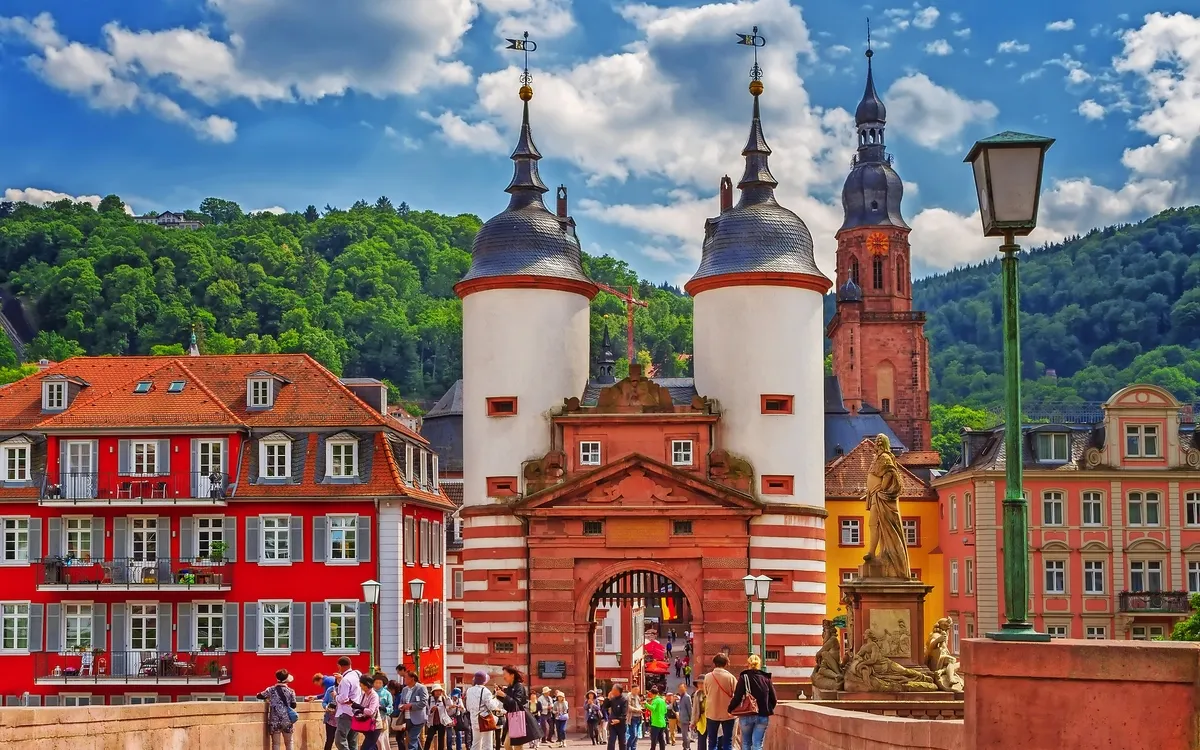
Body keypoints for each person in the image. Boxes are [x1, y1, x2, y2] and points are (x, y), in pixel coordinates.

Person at [727, 655, 776, 750]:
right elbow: (773, 699)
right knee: (757, 744)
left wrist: (730, 709)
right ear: (759, 664)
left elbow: (737, 696)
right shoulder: (766, 678)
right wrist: (767, 709)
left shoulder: (744, 677)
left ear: (748, 664)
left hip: (747, 714)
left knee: (746, 743)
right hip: (762, 715)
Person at [258, 669, 299, 750]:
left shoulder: (271, 690)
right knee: (289, 742)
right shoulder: (290, 691)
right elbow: (293, 705)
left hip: (274, 720)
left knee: (276, 744)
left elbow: (259, 696)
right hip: (287, 720)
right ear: (287, 679)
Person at [497, 665, 536, 750]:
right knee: (508, 744)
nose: (503, 677)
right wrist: (499, 696)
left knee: (517, 745)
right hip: (512, 718)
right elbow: (507, 705)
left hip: (519, 719)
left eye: (505, 674)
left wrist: (504, 695)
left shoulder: (519, 686)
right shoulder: (510, 687)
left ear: (512, 675)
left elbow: (516, 703)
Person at [702, 656, 736, 750]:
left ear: (714, 663)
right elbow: (737, 694)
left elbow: (706, 693)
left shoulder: (708, 677)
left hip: (712, 712)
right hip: (728, 713)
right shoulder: (730, 677)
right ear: (725, 663)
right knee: (727, 741)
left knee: (712, 741)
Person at [395, 670, 430, 750]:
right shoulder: (404, 689)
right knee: (414, 738)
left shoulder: (421, 688)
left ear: (412, 679)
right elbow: (401, 702)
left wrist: (410, 705)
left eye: (406, 677)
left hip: (418, 718)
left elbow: (423, 703)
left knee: (412, 738)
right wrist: (401, 706)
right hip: (407, 718)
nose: (404, 679)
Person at [336, 657, 365, 750]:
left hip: (345, 712)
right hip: (356, 711)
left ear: (339, 666)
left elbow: (343, 698)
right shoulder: (357, 675)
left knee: (340, 740)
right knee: (352, 740)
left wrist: (335, 696)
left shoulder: (346, 680)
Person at [466, 671, 496, 750]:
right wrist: (495, 699)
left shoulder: (469, 690)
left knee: (476, 743)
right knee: (487, 744)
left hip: (474, 720)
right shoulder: (485, 691)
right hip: (485, 720)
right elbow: (492, 706)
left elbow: (468, 707)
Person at [353, 673, 384, 750]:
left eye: (361, 684)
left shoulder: (374, 696)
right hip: (367, 725)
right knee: (371, 747)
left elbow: (371, 711)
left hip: (374, 726)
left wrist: (360, 707)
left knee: (365, 748)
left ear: (366, 685)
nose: (360, 685)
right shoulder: (364, 694)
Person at [425, 683, 455, 750]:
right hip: (432, 723)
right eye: (436, 691)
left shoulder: (443, 699)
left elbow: (450, 704)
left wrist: (445, 695)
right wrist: (431, 710)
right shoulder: (429, 700)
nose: (438, 692)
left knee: (441, 740)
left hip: (441, 722)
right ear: (433, 692)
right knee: (429, 738)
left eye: (440, 691)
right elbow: (426, 711)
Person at [602, 685, 628, 750]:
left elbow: (624, 713)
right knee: (611, 741)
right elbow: (605, 706)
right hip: (612, 723)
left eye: (613, 690)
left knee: (622, 742)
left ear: (618, 691)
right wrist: (608, 698)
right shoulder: (612, 699)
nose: (612, 691)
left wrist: (619, 720)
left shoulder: (624, 700)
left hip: (621, 724)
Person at [675, 684, 692, 750]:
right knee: (684, 734)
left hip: (685, 718)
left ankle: (687, 747)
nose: (680, 690)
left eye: (682, 688)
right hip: (682, 718)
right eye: (679, 689)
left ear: (685, 688)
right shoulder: (681, 697)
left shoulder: (687, 697)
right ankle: (685, 746)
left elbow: (689, 708)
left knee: (685, 735)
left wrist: (690, 718)